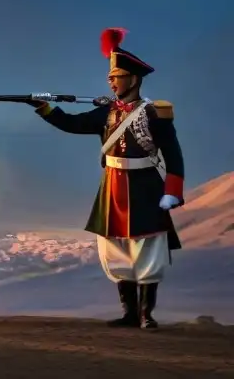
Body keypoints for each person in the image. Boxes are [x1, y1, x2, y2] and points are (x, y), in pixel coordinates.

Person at [24, 27, 184, 329]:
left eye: (117, 77)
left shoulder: (155, 114)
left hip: (146, 186)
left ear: (133, 79)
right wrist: (44, 108)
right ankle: (129, 313)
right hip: (112, 185)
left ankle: (146, 315)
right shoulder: (105, 113)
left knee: (148, 248)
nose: (111, 82)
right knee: (114, 248)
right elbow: (71, 124)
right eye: (110, 77)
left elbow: (173, 154)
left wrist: (172, 190)